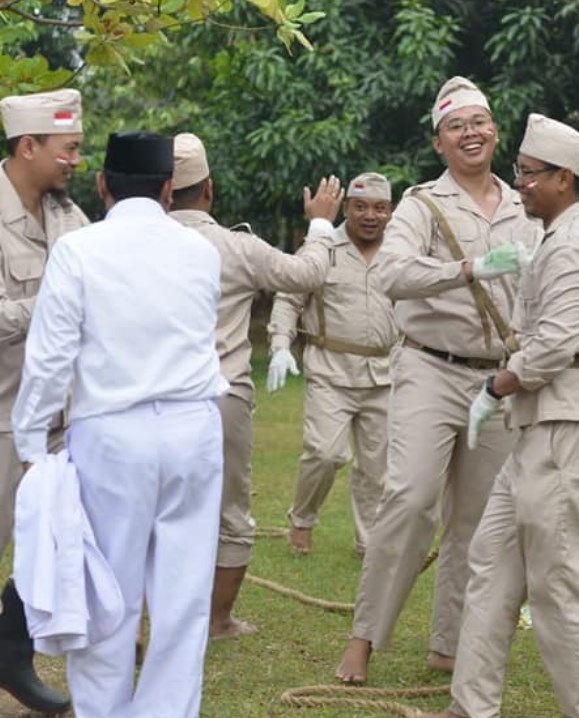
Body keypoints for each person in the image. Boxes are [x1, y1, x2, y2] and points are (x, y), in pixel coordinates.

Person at [12, 131, 229, 718]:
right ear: (167, 189)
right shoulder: (201, 251)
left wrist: (33, 446)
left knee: (106, 598)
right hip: (194, 430)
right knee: (184, 601)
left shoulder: (81, 250)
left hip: (114, 434)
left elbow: (51, 358)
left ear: (103, 185)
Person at [423, 112, 579, 718]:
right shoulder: (562, 239)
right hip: (544, 420)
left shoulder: (574, 244)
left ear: (565, 179)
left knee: (558, 581)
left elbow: (555, 345)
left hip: (568, 418)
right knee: (490, 562)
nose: (521, 186)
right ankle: (471, 704)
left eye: (530, 175)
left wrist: (495, 386)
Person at [336, 76, 539, 682]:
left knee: (477, 520)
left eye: (480, 122)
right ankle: (364, 637)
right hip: (429, 365)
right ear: (438, 142)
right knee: (410, 498)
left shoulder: (525, 205)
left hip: (497, 378)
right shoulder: (423, 205)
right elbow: (393, 274)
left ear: (495, 131)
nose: (471, 133)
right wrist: (469, 268)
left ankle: (448, 644)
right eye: (457, 126)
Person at [168, 132, 346, 637]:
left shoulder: (137, 246)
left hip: (152, 397)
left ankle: (148, 615)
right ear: (209, 190)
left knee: (153, 504)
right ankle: (218, 619)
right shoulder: (235, 246)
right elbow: (308, 273)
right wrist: (319, 221)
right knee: (231, 508)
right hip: (221, 394)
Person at [0, 88, 88, 714]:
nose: (75, 161)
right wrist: (55, 304)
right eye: (68, 150)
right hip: (0, 414)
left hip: (57, 416)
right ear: (28, 146)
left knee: (45, 545)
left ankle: (11, 656)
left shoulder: (68, 215)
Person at [267, 172, 400, 557]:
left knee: (378, 467)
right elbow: (289, 297)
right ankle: (303, 518)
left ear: (390, 211)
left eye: (379, 208)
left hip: (385, 373)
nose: (370, 216)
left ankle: (369, 543)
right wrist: (279, 345)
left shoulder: (400, 251)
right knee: (325, 453)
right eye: (360, 207)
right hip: (331, 370)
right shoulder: (322, 246)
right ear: (346, 209)